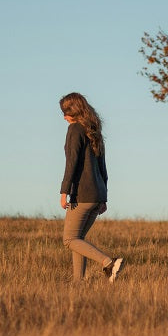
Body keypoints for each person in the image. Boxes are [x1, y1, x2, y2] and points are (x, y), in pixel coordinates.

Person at [59, 92, 125, 282]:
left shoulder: (75, 130)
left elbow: (71, 162)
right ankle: (78, 283)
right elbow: (103, 167)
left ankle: (109, 263)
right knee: (78, 239)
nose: (63, 117)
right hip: (97, 195)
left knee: (69, 240)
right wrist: (104, 198)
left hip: (83, 194)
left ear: (73, 111)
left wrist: (64, 191)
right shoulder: (93, 130)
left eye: (65, 112)